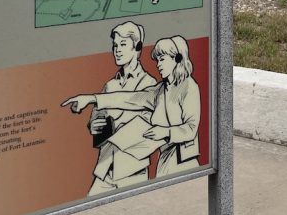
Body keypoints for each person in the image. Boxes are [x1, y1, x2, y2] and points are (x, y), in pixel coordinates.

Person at [62, 35, 200, 177]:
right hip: (164, 161)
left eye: (162, 59)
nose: (158, 64)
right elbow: (128, 99)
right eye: (157, 60)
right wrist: (91, 99)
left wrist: (165, 132)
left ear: (176, 59)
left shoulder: (189, 86)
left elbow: (191, 129)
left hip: (184, 161)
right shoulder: (159, 91)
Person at [84, 22, 155, 195]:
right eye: (115, 45)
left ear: (137, 48)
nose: (117, 50)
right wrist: (93, 126)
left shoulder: (149, 84)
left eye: (123, 45)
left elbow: (148, 127)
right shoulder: (110, 85)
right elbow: (96, 117)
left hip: (132, 170)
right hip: (106, 168)